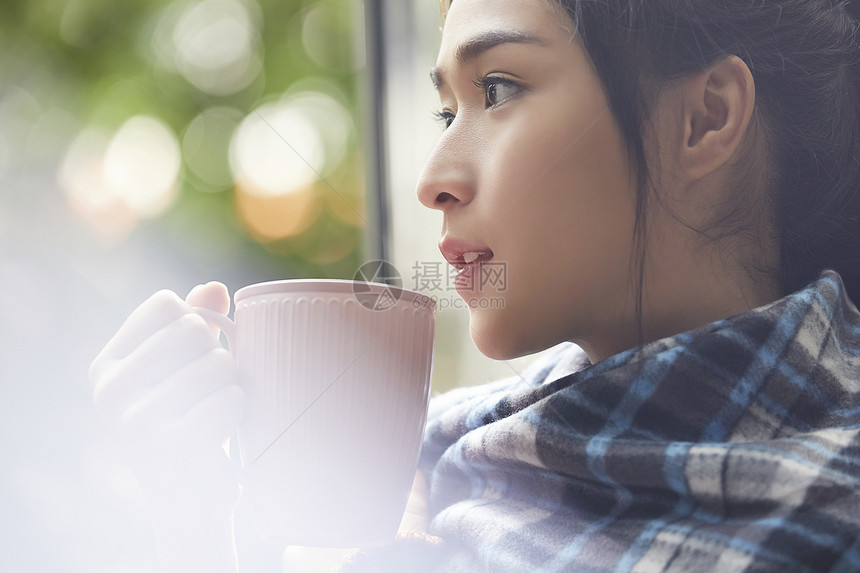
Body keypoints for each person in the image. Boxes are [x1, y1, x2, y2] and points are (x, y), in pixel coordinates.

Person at [89, 0, 860, 571]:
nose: (433, 181)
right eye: (445, 110)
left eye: (497, 89)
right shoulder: (430, 461)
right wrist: (189, 530)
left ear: (704, 118)